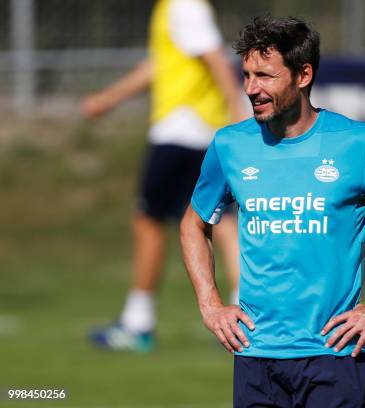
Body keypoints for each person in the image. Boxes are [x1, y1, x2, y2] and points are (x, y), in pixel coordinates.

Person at [180, 16, 365, 407]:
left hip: (334, 359)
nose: (251, 89)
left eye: (265, 76)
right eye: (247, 75)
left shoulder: (358, 143)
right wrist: (210, 304)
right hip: (254, 359)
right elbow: (193, 225)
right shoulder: (230, 146)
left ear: (303, 75)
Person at [81, 0, 246, 352]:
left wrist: (238, 113)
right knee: (223, 221)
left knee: (149, 220)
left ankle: (138, 322)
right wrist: (110, 99)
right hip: (200, 130)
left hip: (181, 130)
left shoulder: (183, 5)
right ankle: (245, 315)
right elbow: (161, 65)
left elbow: (214, 57)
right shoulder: (172, 8)